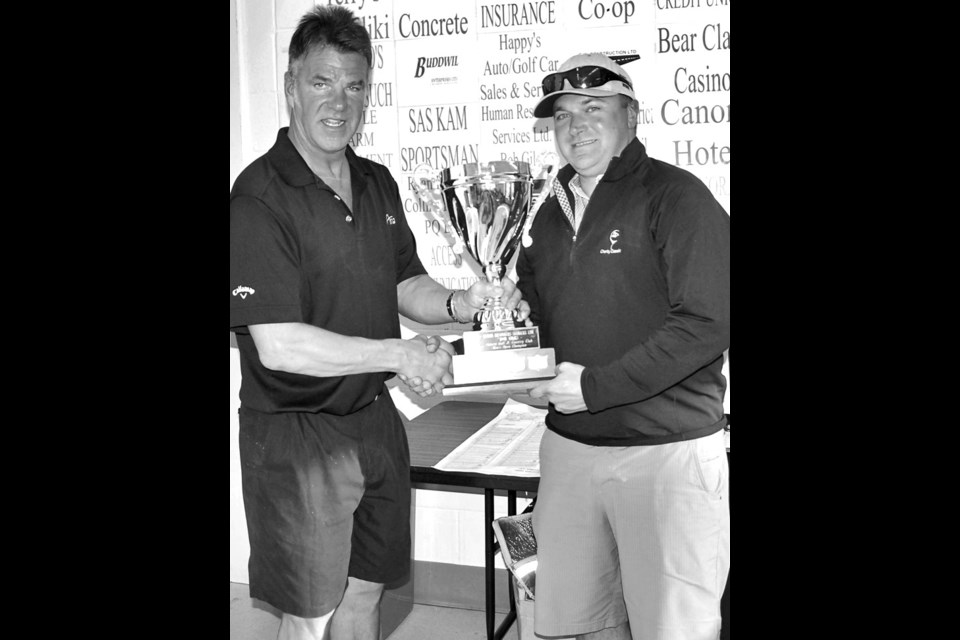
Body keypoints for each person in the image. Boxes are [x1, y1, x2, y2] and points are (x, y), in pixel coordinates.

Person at [229, 6, 528, 640]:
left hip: (374, 423)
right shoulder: (258, 198)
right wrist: (400, 356)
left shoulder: (376, 182)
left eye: (355, 84)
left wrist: (460, 304)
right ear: (290, 86)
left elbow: (405, 284)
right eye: (321, 82)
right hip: (295, 437)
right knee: (309, 617)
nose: (339, 102)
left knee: (365, 596)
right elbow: (280, 347)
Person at [518, 53, 730, 640]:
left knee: (673, 630)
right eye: (562, 114)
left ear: (630, 118)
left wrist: (592, 388)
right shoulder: (545, 214)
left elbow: (709, 322)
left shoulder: (677, 197)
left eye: (593, 108)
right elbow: (534, 318)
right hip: (570, 452)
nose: (576, 125)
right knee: (576, 628)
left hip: (667, 453)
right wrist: (504, 336)